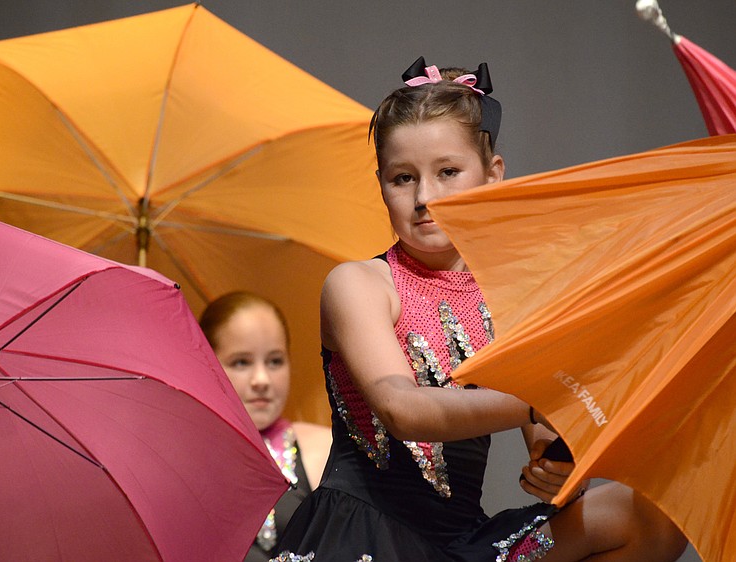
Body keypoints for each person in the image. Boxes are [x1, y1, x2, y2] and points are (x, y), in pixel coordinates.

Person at [271, 59, 688, 561]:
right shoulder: (359, 285)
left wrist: (560, 466)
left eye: (448, 172)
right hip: (363, 538)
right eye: (403, 178)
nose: (425, 197)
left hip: (461, 544)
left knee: (651, 516)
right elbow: (403, 409)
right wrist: (543, 397)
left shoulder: (513, 302)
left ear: (492, 176)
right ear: (380, 183)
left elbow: (547, 435)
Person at [199, 291, 332, 562]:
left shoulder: (328, 450)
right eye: (241, 362)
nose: (262, 379)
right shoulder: (179, 462)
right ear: (206, 365)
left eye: (275, 361)